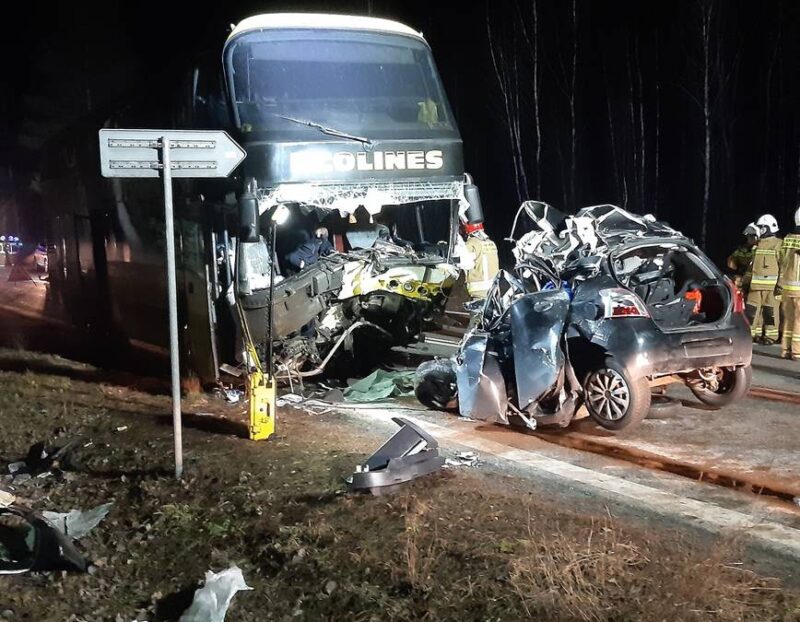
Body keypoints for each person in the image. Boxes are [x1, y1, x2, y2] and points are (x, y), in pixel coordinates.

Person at [746, 214, 782, 344]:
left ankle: (770, 337)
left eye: (761, 227)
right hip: (755, 287)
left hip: (771, 288)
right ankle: (751, 334)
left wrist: (780, 284)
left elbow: (783, 265)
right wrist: (745, 282)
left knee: (770, 313)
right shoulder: (758, 245)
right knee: (751, 312)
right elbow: (751, 267)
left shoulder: (778, 245)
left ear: (768, 228)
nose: (759, 230)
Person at [777, 206, 800, 360]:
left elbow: (780, 259)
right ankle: (797, 352)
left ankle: (785, 350)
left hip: (787, 287)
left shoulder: (786, 239)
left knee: (788, 320)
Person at [459, 221, 499, 300]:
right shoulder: (491, 243)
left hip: (479, 291)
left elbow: (464, 262)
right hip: (494, 289)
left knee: (478, 312)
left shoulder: (470, 244)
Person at [726, 223, 759, 295]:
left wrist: (743, 279)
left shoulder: (760, 250)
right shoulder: (743, 249)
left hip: (754, 282)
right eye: (748, 237)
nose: (749, 239)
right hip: (743, 279)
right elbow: (731, 262)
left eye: (751, 236)